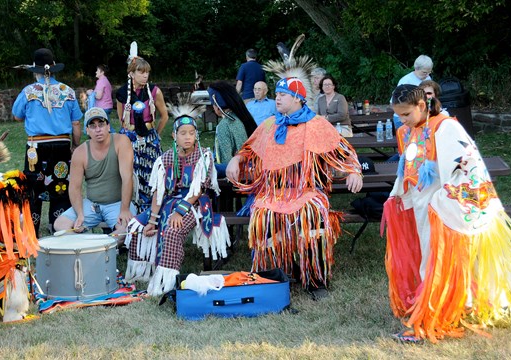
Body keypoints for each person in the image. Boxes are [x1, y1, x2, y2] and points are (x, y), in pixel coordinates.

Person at [384, 84, 511, 343]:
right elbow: (409, 165)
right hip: (426, 207)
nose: (403, 120)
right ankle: (452, 307)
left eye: (406, 114)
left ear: (422, 105)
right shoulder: (409, 130)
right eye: (399, 115)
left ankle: (431, 318)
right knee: (431, 257)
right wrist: (398, 194)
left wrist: (440, 200)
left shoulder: (447, 127)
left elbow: (468, 167)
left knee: (439, 259)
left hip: (444, 209)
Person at [226, 40, 363, 300]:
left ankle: (314, 279)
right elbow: (248, 149)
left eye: (283, 95)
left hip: (307, 190)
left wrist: (354, 170)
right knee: (264, 215)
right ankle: (272, 276)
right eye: (276, 94)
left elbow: (344, 152)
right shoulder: (269, 125)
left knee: (313, 213)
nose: (277, 98)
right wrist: (236, 159)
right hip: (273, 193)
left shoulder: (317, 124)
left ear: (298, 99)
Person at [125, 104, 230, 296]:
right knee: (136, 227)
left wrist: (180, 211)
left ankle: (166, 280)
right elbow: (159, 193)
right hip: (169, 204)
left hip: (196, 205)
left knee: (173, 231)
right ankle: (143, 274)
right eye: (183, 133)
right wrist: (152, 220)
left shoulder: (203, 155)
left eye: (191, 132)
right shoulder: (165, 159)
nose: (188, 137)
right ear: (174, 136)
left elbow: (197, 190)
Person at [12, 48, 83, 236]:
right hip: (61, 146)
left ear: (35, 71)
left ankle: (31, 232)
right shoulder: (67, 91)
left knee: (33, 190)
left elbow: (16, 116)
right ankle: (58, 230)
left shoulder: (28, 92)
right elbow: (76, 123)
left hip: (36, 147)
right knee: (60, 188)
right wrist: (75, 145)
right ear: (53, 68)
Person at [53, 107, 136, 234]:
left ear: (108, 126)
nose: (98, 129)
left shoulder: (121, 142)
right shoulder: (80, 152)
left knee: (126, 230)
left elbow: (127, 178)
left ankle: (97, 245)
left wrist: (124, 209)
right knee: (60, 224)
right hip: (92, 205)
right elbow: (74, 187)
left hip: (118, 203)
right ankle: (93, 245)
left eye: (101, 124)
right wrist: (80, 214)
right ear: (87, 130)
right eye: (92, 126)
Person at [116, 53, 169, 212]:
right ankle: (131, 210)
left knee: (151, 175)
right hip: (129, 138)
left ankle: (151, 210)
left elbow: (164, 116)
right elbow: (121, 119)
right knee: (129, 175)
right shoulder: (122, 93)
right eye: (141, 72)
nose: (145, 75)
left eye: (147, 72)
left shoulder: (154, 91)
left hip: (149, 138)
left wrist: (155, 134)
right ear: (131, 73)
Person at [207, 81, 257, 177]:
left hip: (237, 178)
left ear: (217, 106)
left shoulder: (224, 125)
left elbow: (226, 162)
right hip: (251, 170)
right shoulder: (242, 116)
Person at [392, 55, 433, 128]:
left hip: (419, 117)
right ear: (416, 68)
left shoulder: (428, 79)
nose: (427, 75)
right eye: (424, 72)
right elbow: (394, 101)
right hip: (403, 118)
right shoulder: (406, 80)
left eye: (429, 72)